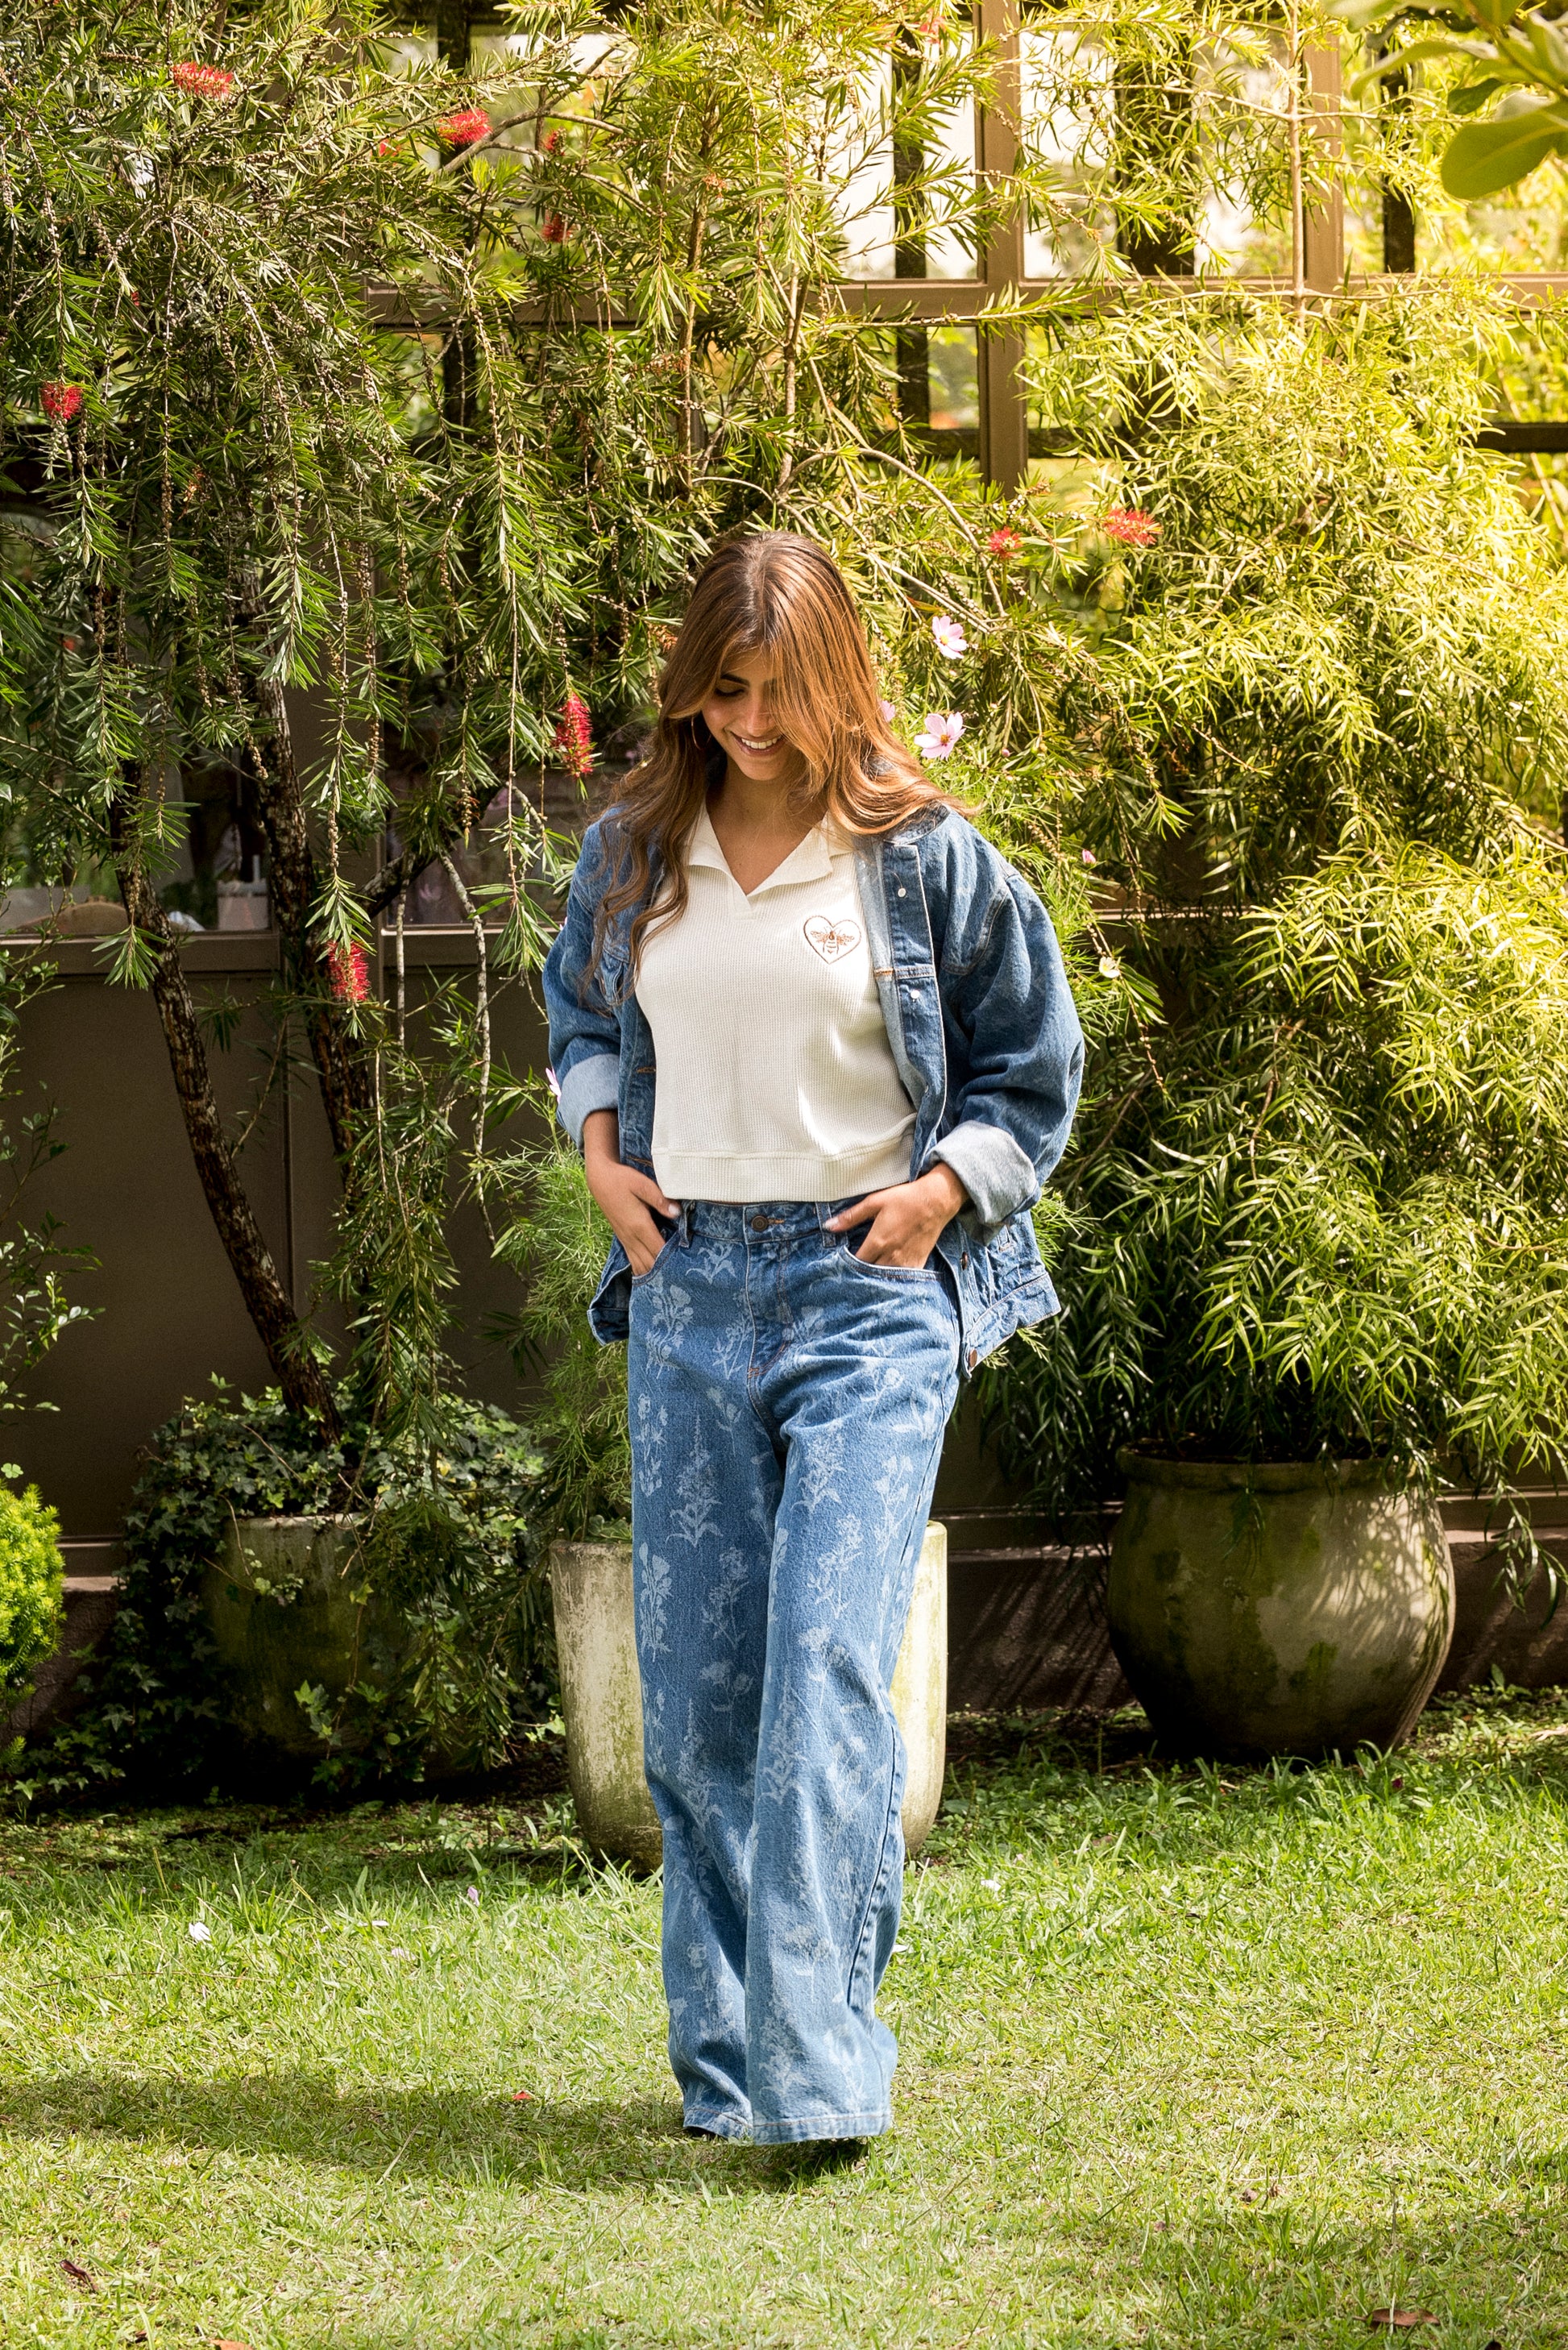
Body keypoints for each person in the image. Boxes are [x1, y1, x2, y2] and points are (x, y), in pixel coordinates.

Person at [543, 532, 1083, 2151]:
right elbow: (582, 1018)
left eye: (781, 689)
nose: (753, 721)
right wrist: (601, 1158)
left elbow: (1033, 1063)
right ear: (689, 686)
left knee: (826, 1674)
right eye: (726, 689)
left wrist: (941, 1195)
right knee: (701, 1706)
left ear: (838, 678)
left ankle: (821, 2071)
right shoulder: (637, 849)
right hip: (690, 1290)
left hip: (866, 1292)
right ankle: (728, 2070)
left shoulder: (923, 857)